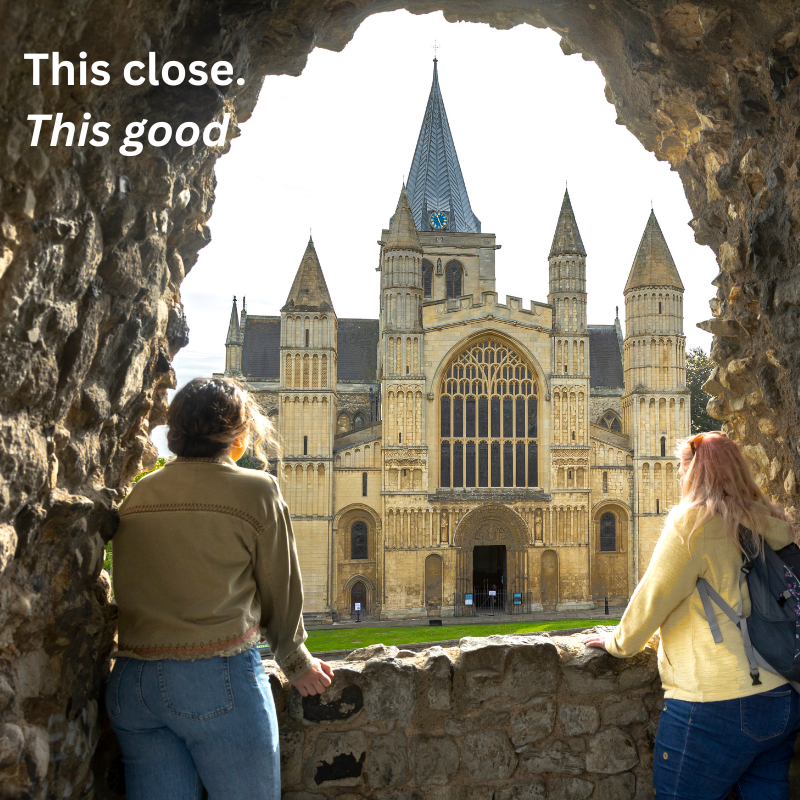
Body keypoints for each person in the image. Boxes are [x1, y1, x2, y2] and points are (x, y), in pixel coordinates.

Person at [106, 377, 332, 800]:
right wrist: (296, 661)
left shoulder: (138, 492)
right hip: (212, 678)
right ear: (238, 435)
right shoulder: (256, 489)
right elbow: (279, 589)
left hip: (132, 685)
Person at [585, 431, 800, 800]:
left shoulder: (694, 525)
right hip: (782, 697)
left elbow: (653, 598)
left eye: (682, 466)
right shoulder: (771, 520)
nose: (678, 475)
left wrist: (617, 643)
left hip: (714, 705)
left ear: (696, 471)